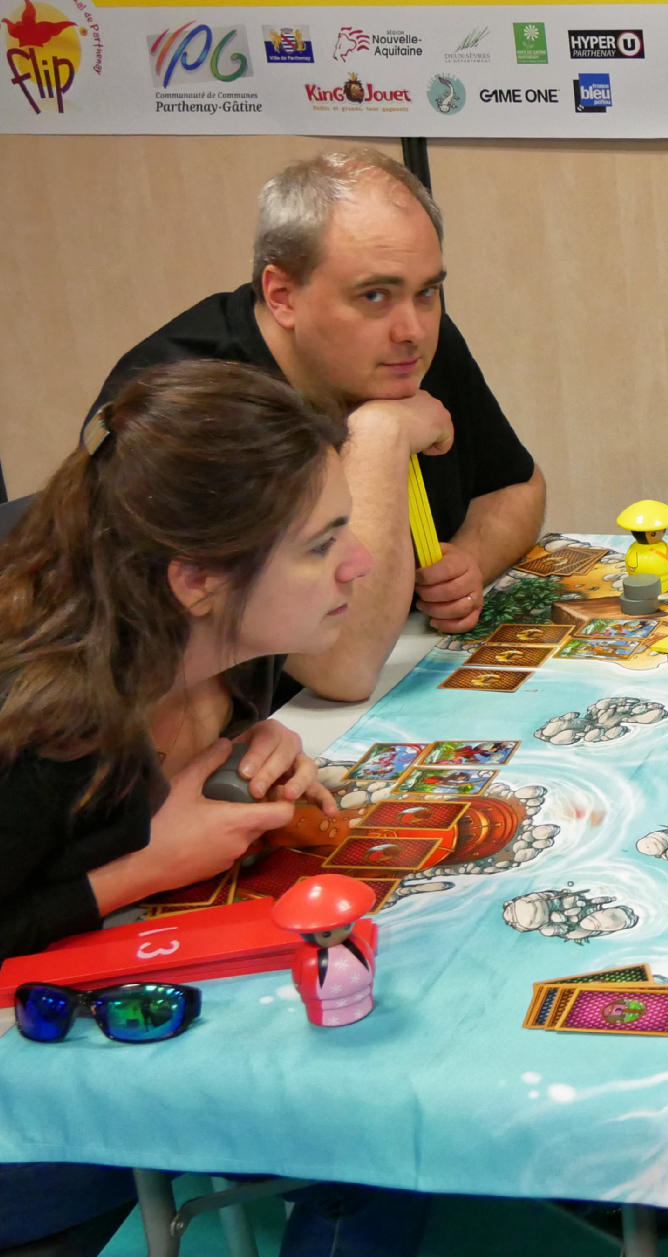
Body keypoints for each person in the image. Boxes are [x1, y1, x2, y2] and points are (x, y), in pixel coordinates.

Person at [0, 359, 447, 1253]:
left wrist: (249, 749)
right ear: (197, 581)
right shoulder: (40, 729)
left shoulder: (216, 652)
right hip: (30, 1119)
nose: (359, 560)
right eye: (321, 544)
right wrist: (146, 866)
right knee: (368, 1115)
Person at [91, 148, 546, 702]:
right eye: (374, 295)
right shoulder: (195, 402)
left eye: (427, 291)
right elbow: (340, 667)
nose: (412, 329)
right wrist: (380, 434)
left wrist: (470, 558)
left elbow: (515, 486)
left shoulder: (406, 342)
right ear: (282, 296)